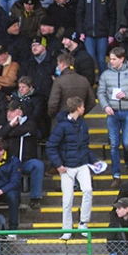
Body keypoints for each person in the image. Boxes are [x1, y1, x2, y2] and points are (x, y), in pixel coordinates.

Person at [46, 96, 100, 240]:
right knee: (67, 199)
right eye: (82, 106)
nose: (84, 109)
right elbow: (51, 146)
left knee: (88, 190)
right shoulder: (62, 126)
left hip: (82, 164)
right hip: (67, 168)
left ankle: (83, 222)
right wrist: (58, 164)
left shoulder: (83, 124)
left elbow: (85, 146)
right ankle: (67, 229)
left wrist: (93, 161)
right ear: (77, 108)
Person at [97, 47, 128, 186]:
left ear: (122, 59)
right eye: (110, 59)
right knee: (113, 145)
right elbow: (101, 92)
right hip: (112, 112)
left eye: (114, 59)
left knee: (127, 142)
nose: (111, 61)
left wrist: (126, 95)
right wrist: (105, 106)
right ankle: (116, 175)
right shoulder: (105, 75)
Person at [0, 101, 44, 210]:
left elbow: (29, 130)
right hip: (9, 162)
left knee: (38, 165)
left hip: (25, 161)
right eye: (8, 111)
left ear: (20, 112)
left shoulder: (30, 122)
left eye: (12, 111)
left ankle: (35, 198)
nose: (8, 114)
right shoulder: (4, 123)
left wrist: (9, 131)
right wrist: (10, 126)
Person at [75, 0, 116, 75]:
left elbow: (112, 16)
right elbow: (79, 15)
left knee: (102, 60)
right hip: (88, 33)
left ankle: (103, 82)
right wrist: (81, 31)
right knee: (90, 59)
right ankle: (91, 82)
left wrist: (111, 34)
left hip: (102, 33)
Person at [47, 53, 96, 119]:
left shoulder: (58, 81)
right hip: (78, 119)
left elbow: (53, 104)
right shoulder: (84, 80)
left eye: (58, 64)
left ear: (63, 64)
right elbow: (92, 101)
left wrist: (54, 116)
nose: (57, 67)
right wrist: (80, 112)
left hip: (61, 119)